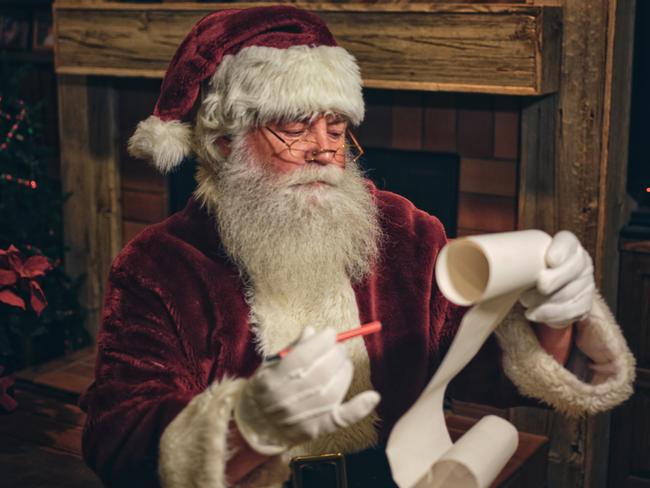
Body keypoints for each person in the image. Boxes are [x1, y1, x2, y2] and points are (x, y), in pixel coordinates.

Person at [80, 6, 635, 488]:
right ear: (223, 142)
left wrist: (556, 313)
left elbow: (488, 367)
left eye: (337, 125)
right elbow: (118, 440)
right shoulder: (159, 265)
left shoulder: (402, 231)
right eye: (295, 125)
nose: (324, 149)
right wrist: (245, 427)